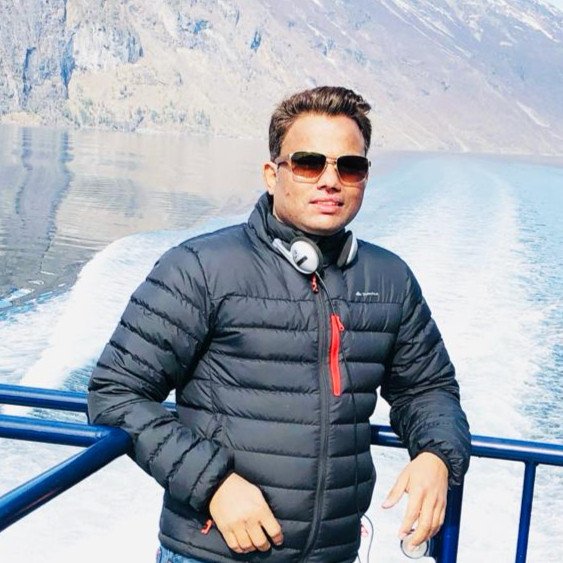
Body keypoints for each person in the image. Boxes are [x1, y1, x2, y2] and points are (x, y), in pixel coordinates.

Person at [88, 86, 471, 563]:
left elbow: (428, 388)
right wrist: (214, 485)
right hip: (213, 553)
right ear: (273, 175)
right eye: (309, 163)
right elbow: (115, 393)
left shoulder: (390, 280)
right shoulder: (200, 268)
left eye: (349, 167)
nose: (330, 181)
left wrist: (436, 454)